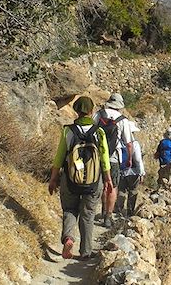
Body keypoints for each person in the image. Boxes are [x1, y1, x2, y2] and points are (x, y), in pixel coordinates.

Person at [48, 96, 113, 260]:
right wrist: (108, 179)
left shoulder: (68, 131)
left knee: (69, 209)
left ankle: (68, 238)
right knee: (88, 214)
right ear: (91, 111)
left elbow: (59, 157)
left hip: (70, 179)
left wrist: (54, 178)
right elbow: (104, 159)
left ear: (76, 111)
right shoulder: (99, 132)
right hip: (93, 181)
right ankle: (85, 252)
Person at [91, 92, 133, 227]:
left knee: (100, 185)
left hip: (97, 155)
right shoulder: (123, 120)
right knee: (112, 186)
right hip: (113, 158)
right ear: (120, 106)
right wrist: (130, 158)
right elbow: (129, 143)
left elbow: (90, 131)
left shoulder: (99, 114)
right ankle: (108, 217)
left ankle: (102, 210)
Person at [115, 120, 145, 216]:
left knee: (121, 191)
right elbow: (138, 159)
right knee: (132, 191)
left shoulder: (119, 142)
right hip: (133, 171)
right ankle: (130, 212)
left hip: (122, 170)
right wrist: (141, 173)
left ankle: (118, 210)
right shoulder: (134, 143)